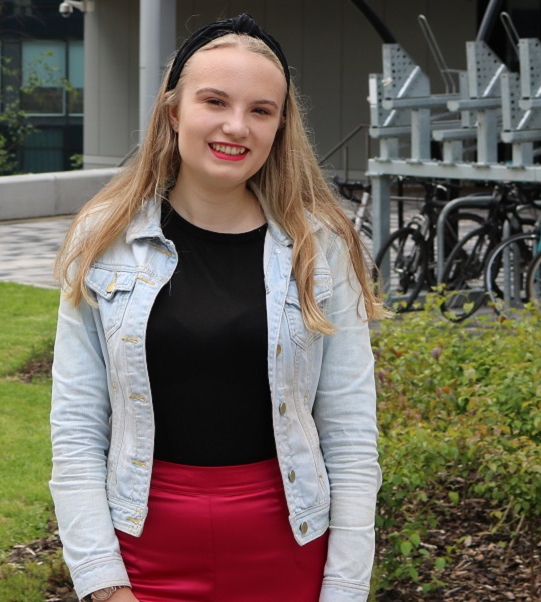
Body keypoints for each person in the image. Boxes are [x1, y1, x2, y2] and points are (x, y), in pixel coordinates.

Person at [49, 14, 384, 602]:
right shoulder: (104, 238)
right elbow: (76, 430)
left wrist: (344, 588)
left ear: (280, 127)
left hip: (289, 557)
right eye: (215, 101)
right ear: (173, 112)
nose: (237, 126)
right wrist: (104, 585)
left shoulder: (322, 247)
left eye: (261, 110)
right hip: (142, 558)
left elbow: (351, 437)